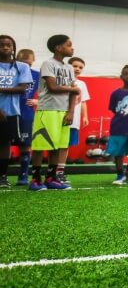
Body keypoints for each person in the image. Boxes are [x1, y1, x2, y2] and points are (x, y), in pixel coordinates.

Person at [29, 34, 80, 190]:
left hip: (63, 111)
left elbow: (73, 93)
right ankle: (35, 179)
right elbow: (52, 87)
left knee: (57, 146)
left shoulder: (69, 68)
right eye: (69, 45)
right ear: (58, 48)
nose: (72, 48)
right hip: (47, 110)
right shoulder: (48, 64)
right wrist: (74, 88)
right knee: (40, 145)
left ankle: (51, 178)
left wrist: (71, 112)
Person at [0, 36, 35, 188]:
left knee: (4, 144)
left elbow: (23, 88)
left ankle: (2, 177)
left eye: (8, 45)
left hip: (11, 112)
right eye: (2, 45)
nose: (5, 47)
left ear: (13, 47)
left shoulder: (21, 67)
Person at [14, 49, 41, 186]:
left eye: (28, 63)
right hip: (9, 110)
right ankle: (3, 175)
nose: (25, 65)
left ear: (33, 61)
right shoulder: (11, 72)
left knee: (26, 144)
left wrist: (38, 101)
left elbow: (47, 93)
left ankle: (23, 174)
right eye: (22, 62)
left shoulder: (37, 75)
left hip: (26, 112)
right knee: (4, 143)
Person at [66, 56, 90, 183]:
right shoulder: (63, 81)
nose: (77, 69)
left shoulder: (82, 84)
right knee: (59, 145)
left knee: (66, 145)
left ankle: (60, 170)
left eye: (80, 67)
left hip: (74, 121)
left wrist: (85, 116)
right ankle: (54, 170)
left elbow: (84, 102)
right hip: (62, 118)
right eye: (75, 66)